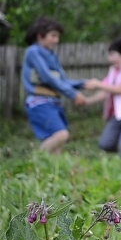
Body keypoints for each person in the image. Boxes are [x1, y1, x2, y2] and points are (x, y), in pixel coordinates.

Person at [21, 17, 89, 155]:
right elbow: (47, 77)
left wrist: (83, 84)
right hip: (40, 102)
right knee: (61, 135)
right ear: (40, 35)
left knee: (58, 145)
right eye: (53, 36)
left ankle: (53, 173)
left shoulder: (52, 55)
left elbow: (61, 80)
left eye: (58, 36)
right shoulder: (33, 52)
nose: (56, 40)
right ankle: (36, 161)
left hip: (54, 102)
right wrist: (73, 94)